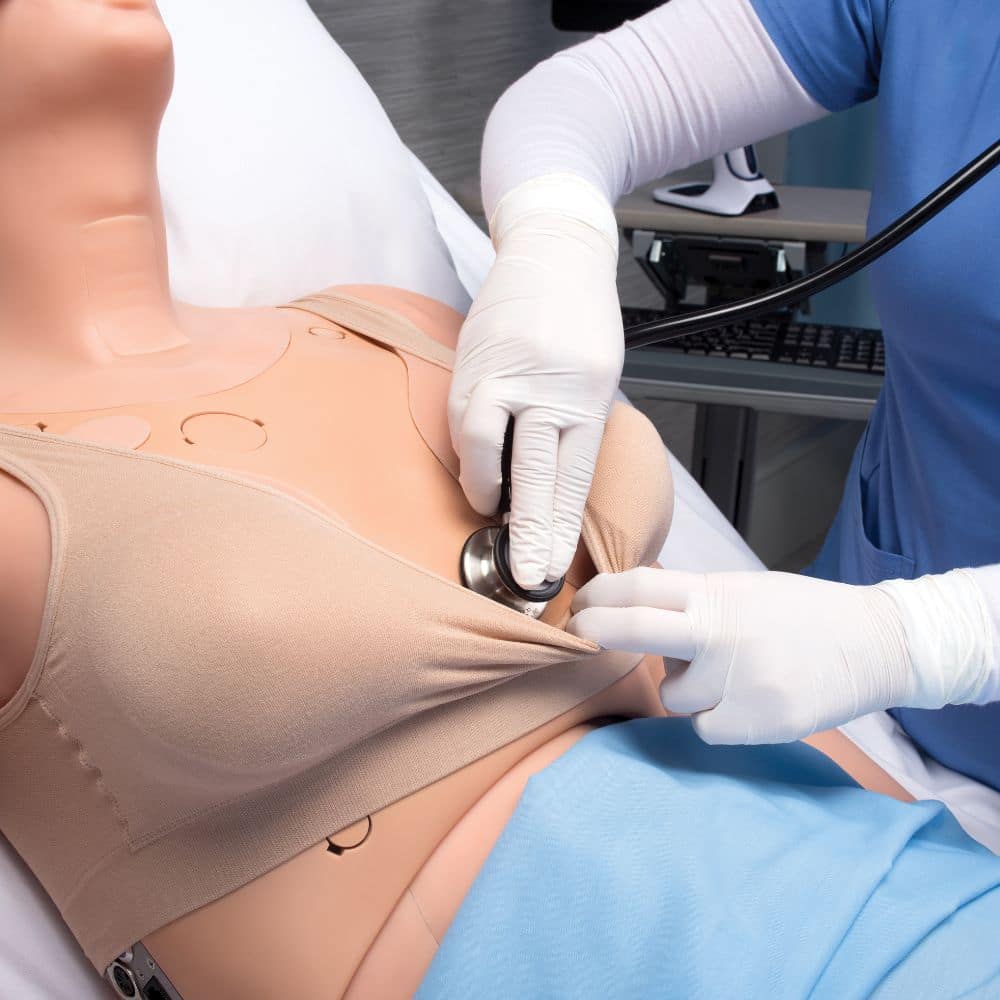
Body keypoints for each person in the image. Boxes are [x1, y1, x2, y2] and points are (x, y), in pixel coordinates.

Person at [0, 3, 952, 998]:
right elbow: (594, 96)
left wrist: (924, 653)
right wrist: (555, 230)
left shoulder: (387, 319)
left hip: (925, 889)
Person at [465, 0, 1000, 783]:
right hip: (855, 708)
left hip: (880, 666)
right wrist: (555, 237)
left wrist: (915, 640)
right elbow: (586, 94)